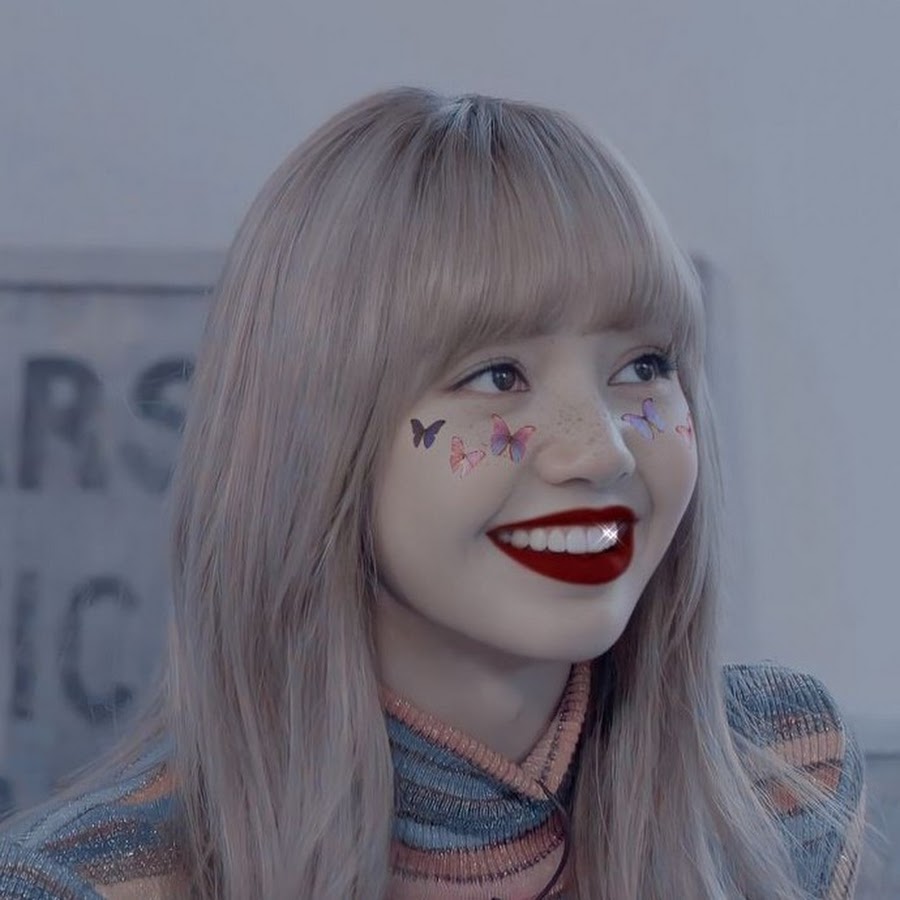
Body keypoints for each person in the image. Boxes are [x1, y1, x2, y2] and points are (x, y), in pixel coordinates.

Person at [0, 87, 867, 899]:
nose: (600, 451)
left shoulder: (785, 778)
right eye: (497, 376)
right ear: (312, 437)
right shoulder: (84, 884)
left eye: (644, 366)